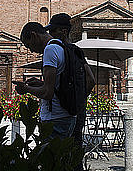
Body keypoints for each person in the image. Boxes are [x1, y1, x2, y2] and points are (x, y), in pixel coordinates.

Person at [45, 13, 96, 171]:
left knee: (56, 157)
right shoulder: (77, 51)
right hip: (77, 111)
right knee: (75, 156)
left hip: (61, 114)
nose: (50, 34)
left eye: (52, 31)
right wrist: (78, 99)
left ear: (62, 31)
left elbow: (49, 89)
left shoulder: (54, 49)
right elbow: (92, 80)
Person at [16, 22, 76, 140]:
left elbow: (47, 93)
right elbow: (57, 85)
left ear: (34, 35)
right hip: (67, 116)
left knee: (49, 157)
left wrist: (26, 89)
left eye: (29, 46)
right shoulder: (62, 47)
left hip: (54, 119)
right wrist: (41, 84)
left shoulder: (50, 50)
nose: (31, 51)